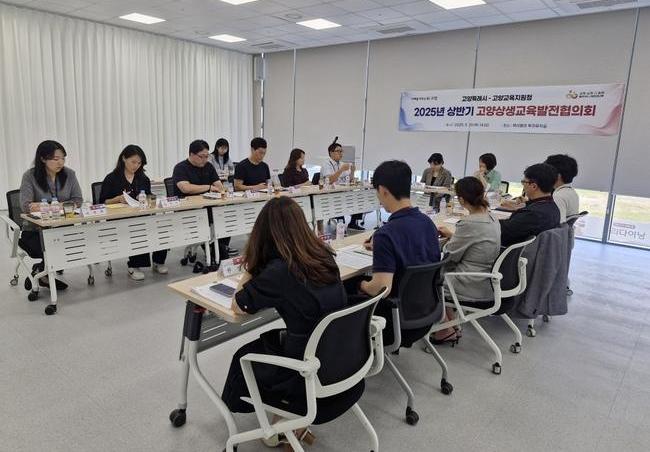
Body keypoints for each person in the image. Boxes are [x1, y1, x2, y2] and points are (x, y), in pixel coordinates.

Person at [222, 196, 350, 448]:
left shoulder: (279, 271)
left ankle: (281, 424)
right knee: (276, 339)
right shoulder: (324, 255)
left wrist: (251, 266)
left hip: (306, 368)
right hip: (338, 356)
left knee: (244, 357)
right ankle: (287, 425)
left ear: (264, 234)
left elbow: (239, 305)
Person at [354, 160, 442, 346]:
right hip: (427, 312)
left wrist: (359, 283)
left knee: (348, 287)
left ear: (383, 190)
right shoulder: (428, 223)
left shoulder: (386, 234)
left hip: (395, 323)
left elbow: (381, 289)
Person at [433, 177, 501, 344]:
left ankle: (445, 329)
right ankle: (451, 325)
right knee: (439, 275)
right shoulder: (492, 218)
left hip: (470, 282)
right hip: (485, 279)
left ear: (462, 200)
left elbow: (450, 255)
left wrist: (443, 243)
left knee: (428, 278)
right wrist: (454, 236)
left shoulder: (469, 223)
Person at [19, 140, 83, 291]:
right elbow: (26, 206)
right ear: (43, 159)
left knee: (76, 244)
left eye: (63, 158)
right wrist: (61, 205)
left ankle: (39, 271)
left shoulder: (69, 174)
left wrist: (45, 205)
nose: (60, 162)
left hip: (63, 228)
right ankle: (43, 274)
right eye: (55, 159)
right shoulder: (29, 176)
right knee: (51, 248)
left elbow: (78, 200)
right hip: (35, 231)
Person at [99, 145, 168, 281]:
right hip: (120, 218)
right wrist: (117, 199)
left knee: (160, 227)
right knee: (138, 229)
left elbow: (148, 195)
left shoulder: (143, 178)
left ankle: (158, 261)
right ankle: (134, 266)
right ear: (124, 158)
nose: (136, 166)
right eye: (133, 162)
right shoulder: (112, 178)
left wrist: (149, 198)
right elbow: (102, 202)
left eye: (139, 163)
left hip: (141, 214)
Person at [172, 140, 234, 258]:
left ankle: (219, 249)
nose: (205, 160)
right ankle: (215, 252)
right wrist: (208, 187)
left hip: (207, 207)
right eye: (202, 156)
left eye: (207, 156)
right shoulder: (180, 168)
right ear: (191, 154)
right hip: (188, 210)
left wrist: (222, 189)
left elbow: (219, 186)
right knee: (210, 221)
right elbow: (185, 188)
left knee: (226, 216)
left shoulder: (208, 167)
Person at [500, 163, 560, 247]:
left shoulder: (533, 214)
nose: (523, 185)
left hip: (510, 251)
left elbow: (502, 232)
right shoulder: (553, 207)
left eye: (524, 182)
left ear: (534, 186)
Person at [320, 137, 363, 230]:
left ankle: (353, 223)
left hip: (342, 192)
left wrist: (352, 172)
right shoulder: (326, 164)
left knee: (359, 197)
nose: (341, 153)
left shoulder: (342, 163)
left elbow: (350, 180)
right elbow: (329, 180)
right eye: (338, 151)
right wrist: (341, 170)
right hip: (330, 194)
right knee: (338, 200)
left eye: (341, 151)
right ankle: (340, 223)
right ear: (331, 153)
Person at [544, 154, 580, 223]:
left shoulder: (558, 196)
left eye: (546, 172)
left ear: (558, 176)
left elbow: (558, 225)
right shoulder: (571, 192)